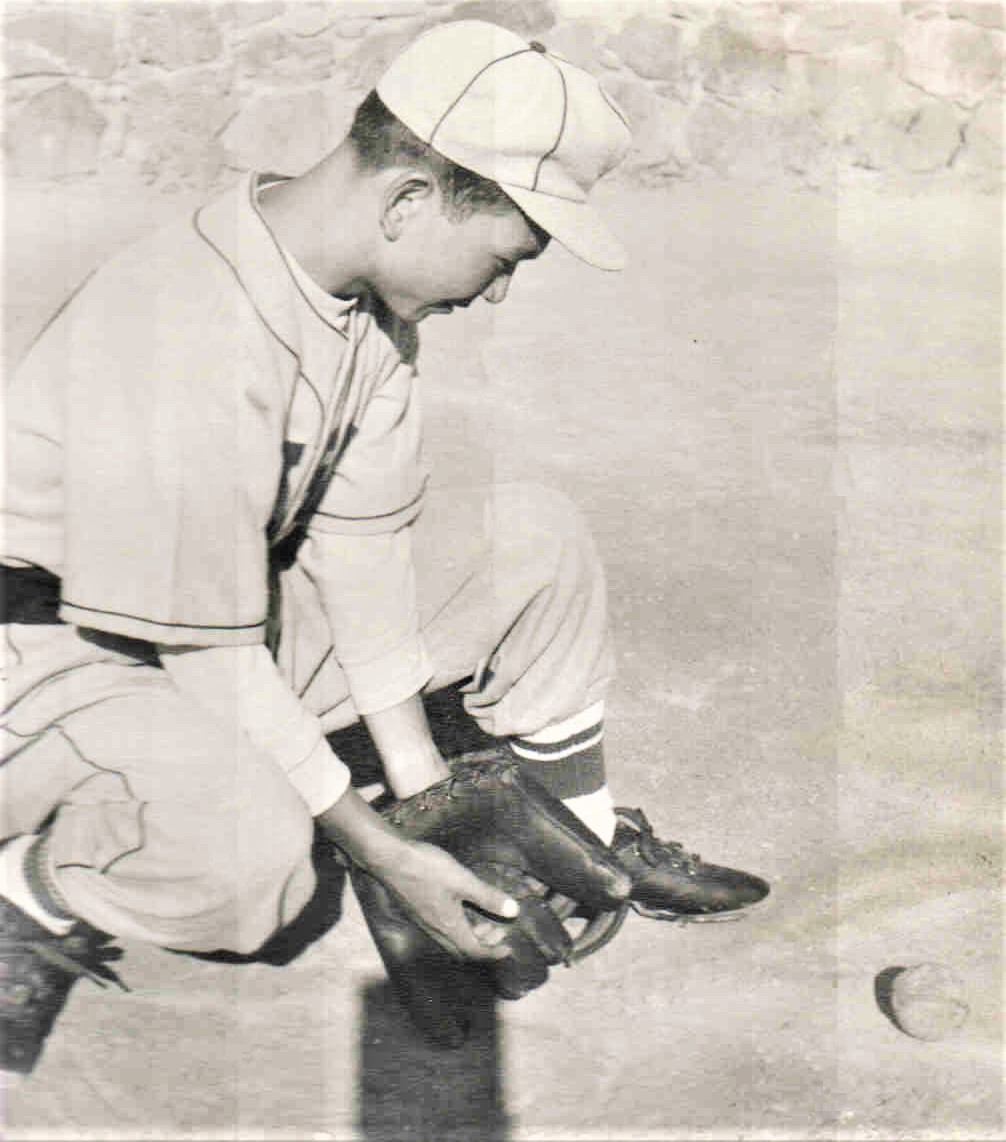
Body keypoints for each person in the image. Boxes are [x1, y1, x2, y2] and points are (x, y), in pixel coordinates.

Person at [1, 20, 768, 1073]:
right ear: (408, 200)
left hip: (212, 618)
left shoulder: (362, 303)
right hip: (46, 654)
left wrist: (426, 800)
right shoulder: (186, 327)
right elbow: (207, 656)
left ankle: (581, 838)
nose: (496, 291)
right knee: (253, 862)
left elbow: (359, 556)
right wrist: (387, 851)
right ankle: (31, 891)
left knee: (532, 538)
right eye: (504, 257)